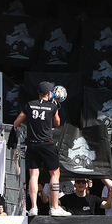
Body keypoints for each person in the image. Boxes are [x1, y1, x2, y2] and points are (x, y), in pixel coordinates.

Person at [10, 81, 71, 216]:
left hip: (32, 144)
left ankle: (33, 207)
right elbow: (57, 123)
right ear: (49, 93)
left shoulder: (29, 105)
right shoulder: (52, 106)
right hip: (47, 143)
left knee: (33, 175)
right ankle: (54, 207)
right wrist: (55, 108)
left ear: (38, 93)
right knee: (55, 174)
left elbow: (16, 122)